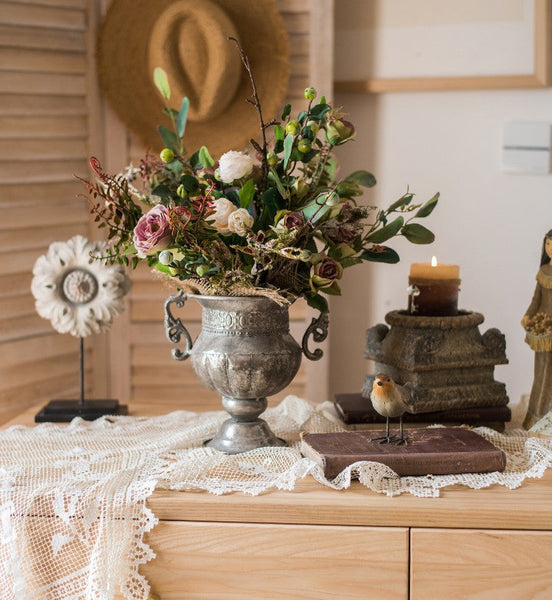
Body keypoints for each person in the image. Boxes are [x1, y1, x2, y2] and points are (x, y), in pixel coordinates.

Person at [521, 229, 552, 428]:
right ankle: (538, 417)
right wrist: (528, 315)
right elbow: (536, 299)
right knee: (542, 372)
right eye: (548, 244)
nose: (550, 248)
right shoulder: (544, 271)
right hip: (544, 329)